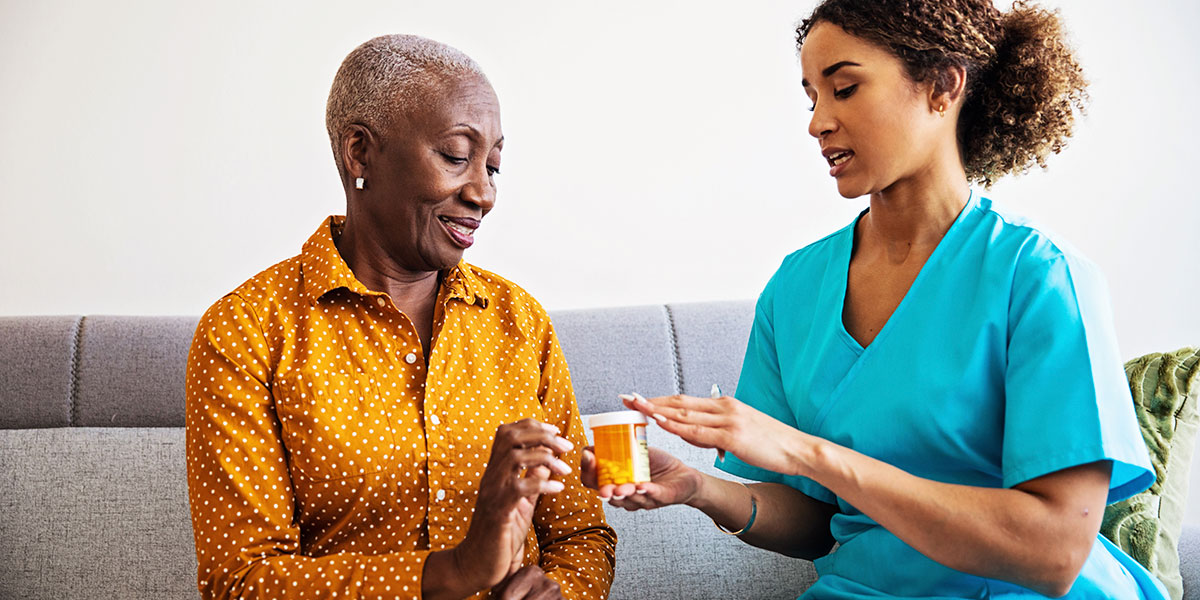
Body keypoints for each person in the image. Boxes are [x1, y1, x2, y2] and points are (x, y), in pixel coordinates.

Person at [582, 1, 1168, 598]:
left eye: (845, 88)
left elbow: (1054, 551)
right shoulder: (796, 288)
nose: (818, 122)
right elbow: (812, 523)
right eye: (812, 97)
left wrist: (811, 454)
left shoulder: (1041, 278)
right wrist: (699, 489)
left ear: (942, 86)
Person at [185, 34, 615, 600]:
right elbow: (239, 582)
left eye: (494, 166)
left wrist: (561, 591)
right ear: (360, 152)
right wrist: (455, 571)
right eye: (457, 157)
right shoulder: (245, 331)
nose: (483, 193)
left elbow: (580, 531)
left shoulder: (518, 320)